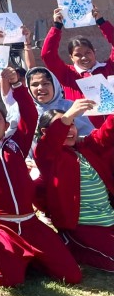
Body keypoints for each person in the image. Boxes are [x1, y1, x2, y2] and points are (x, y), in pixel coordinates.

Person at [0, 64, 82, 287]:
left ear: (6, 123)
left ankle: (29, 257)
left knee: (72, 276)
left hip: (29, 222)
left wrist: (17, 84)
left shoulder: (17, 144)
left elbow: (29, 114)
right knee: (8, 279)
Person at [34, 100, 114, 272]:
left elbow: (106, 133)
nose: (70, 129)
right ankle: (72, 246)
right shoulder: (48, 157)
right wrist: (70, 113)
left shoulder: (85, 148)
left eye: (73, 124)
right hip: (83, 227)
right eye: (65, 124)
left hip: (109, 219)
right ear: (45, 132)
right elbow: (48, 144)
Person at [41, 5, 114, 103]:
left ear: (94, 52)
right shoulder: (67, 74)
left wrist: (101, 22)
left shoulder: (109, 67)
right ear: (71, 57)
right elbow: (47, 55)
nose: (84, 57)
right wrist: (57, 26)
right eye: (78, 55)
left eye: (88, 52)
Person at [25, 67, 94, 136]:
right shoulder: (26, 112)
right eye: (35, 85)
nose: (40, 88)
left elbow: (88, 133)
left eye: (45, 83)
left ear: (54, 85)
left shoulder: (72, 107)